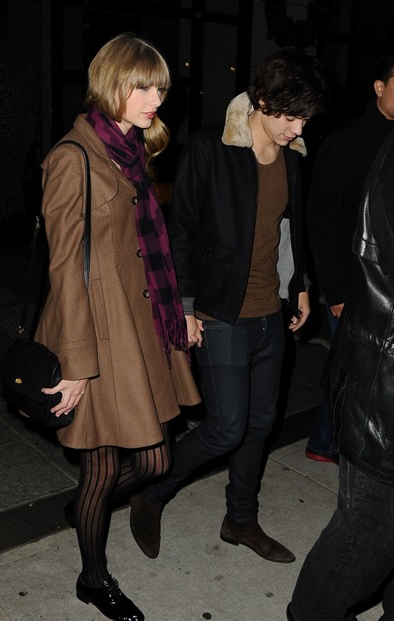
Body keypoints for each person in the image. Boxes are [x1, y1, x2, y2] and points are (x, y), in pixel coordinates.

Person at [129, 48, 328, 564]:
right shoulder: (210, 149)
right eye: (289, 116)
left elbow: (289, 226)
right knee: (225, 428)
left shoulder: (292, 154)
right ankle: (151, 490)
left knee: (261, 425)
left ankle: (240, 519)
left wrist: (300, 285)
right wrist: (186, 306)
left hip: (270, 311)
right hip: (219, 311)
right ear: (261, 102)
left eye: (304, 118)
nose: (297, 128)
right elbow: (179, 232)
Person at [34, 33, 200, 621]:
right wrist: (77, 366)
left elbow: (146, 246)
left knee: (155, 460)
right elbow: (64, 270)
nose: (156, 99)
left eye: (160, 88)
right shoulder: (72, 157)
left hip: (138, 325)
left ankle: (89, 503)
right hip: (96, 332)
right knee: (104, 464)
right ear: (111, 84)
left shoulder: (132, 151)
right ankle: (93, 577)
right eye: (143, 87)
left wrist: (179, 308)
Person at [287, 128, 394, 621]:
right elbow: (322, 222)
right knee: (367, 530)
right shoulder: (362, 146)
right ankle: (316, 618)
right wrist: (326, 292)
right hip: (384, 385)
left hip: (376, 365)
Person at [305, 54, 394, 464]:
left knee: (372, 372)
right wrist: (336, 290)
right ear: (379, 87)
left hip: (384, 279)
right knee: (350, 370)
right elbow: (321, 220)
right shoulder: (347, 141)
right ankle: (326, 442)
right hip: (351, 282)